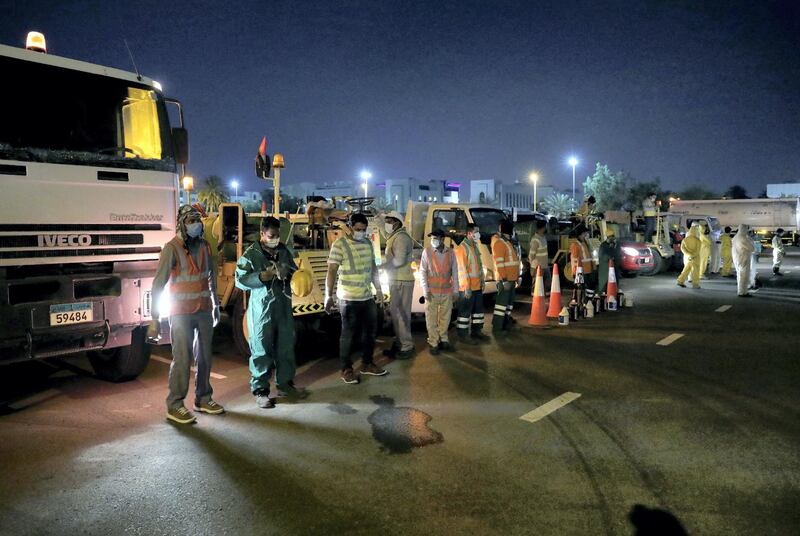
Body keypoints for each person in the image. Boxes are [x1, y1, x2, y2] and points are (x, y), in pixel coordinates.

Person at [149, 205, 223, 424]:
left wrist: (216, 305)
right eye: (191, 221)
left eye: (197, 220)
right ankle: (175, 404)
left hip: (203, 310)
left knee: (205, 357)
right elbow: (157, 285)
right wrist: (154, 318)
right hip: (180, 313)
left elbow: (211, 277)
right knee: (182, 358)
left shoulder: (205, 246)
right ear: (182, 224)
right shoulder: (171, 248)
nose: (196, 225)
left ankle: (203, 398)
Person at [235, 216, 305, 409]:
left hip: (283, 307)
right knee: (261, 350)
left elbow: (293, 270)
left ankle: (285, 384)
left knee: (285, 347)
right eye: (271, 236)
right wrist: (261, 276)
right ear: (262, 234)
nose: (275, 239)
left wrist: (288, 272)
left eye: (277, 235)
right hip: (262, 311)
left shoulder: (283, 250)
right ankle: (261, 391)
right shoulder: (250, 255)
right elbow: (240, 280)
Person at [325, 213, 387, 384]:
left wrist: (379, 289)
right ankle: (346, 369)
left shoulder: (367, 243)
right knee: (348, 336)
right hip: (348, 298)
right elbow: (331, 271)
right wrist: (328, 296)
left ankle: (367, 364)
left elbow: (373, 267)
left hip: (367, 297)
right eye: (358, 229)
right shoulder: (340, 245)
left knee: (370, 333)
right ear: (350, 227)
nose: (361, 232)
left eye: (363, 229)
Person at [382, 211, 415, 359]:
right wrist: (377, 217)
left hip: (402, 281)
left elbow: (400, 260)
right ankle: (399, 344)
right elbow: (383, 233)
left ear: (396, 223)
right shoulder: (395, 236)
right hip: (397, 280)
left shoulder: (401, 238)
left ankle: (407, 347)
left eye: (388, 221)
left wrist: (383, 266)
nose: (386, 224)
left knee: (402, 315)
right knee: (396, 316)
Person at [419, 229, 459, 355]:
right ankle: (433, 342)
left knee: (445, 317)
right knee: (431, 318)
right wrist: (425, 290)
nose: (433, 240)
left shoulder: (450, 252)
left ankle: (444, 339)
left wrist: (456, 290)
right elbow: (423, 272)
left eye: (435, 238)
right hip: (432, 292)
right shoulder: (427, 252)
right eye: (432, 238)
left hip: (447, 291)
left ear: (442, 239)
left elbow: (455, 273)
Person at [455, 223, 488, 343]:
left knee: (477, 312)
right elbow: (462, 270)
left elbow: (479, 267)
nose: (478, 234)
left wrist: (482, 281)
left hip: (477, 286)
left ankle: (477, 331)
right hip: (467, 288)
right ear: (469, 233)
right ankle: (463, 335)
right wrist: (466, 287)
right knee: (464, 312)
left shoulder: (474, 246)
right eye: (476, 232)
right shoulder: (462, 248)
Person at [491, 219, 520, 332]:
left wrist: (516, 277)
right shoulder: (500, 243)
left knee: (508, 304)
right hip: (506, 279)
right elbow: (499, 264)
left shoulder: (507, 242)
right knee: (501, 305)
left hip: (511, 279)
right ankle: (498, 326)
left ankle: (505, 322)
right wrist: (504, 280)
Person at [570, 224, 596, 292]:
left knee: (587, 289)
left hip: (587, 270)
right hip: (581, 271)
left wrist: (593, 267)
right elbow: (575, 260)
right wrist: (576, 273)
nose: (586, 234)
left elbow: (590, 256)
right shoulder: (575, 245)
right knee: (581, 290)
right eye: (585, 233)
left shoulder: (584, 243)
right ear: (580, 234)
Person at [597, 228, 623, 294]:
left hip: (615, 268)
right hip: (605, 269)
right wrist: (610, 258)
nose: (613, 238)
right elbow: (602, 256)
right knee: (605, 285)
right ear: (608, 237)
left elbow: (619, 255)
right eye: (611, 237)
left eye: (613, 236)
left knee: (614, 284)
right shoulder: (603, 245)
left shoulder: (616, 245)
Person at [732, 224, 755, 297]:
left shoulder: (736, 237)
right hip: (743, 258)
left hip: (737, 258)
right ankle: (743, 292)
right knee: (744, 276)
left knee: (740, 275)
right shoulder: (743, 238)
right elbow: (752, 248)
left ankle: (742, 291)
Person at [676, 223, 702, 289]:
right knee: (695, 272)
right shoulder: (698, 241)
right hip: (695, 259)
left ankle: (680, 281)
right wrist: (692, 255)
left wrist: (688, 255)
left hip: (687, 258)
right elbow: (698, 250)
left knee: (685, 270)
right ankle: (695, 284)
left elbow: (682, 249)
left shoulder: (685, 240)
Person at [528, 220, 550, 293]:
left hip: (544, 264)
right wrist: (534, 264)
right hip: (538, 265)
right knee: (537, 281)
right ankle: (534, 294)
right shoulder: (536, 239)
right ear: (543, 228)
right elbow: (531, 254)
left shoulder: (543, 237)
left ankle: (546, 293)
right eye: (546, 226)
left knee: (546, 280)